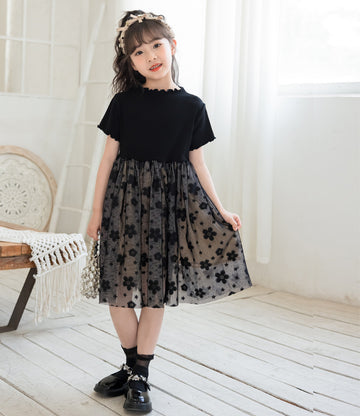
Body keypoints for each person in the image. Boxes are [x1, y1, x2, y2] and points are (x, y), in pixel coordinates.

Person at [86, 10, 253, 413]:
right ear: (130, 62)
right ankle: (131, 367)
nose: (151, 57)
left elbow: (198, 163)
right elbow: (106, 161)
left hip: (168, 207)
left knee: (154, 292)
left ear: (172, 46)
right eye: (139, 52)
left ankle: (139, 375)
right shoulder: (123, 103)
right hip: (124, 205)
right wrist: (95, 213)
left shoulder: (192, 106)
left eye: (156, 46)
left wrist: (220, 208)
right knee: (118, 290)